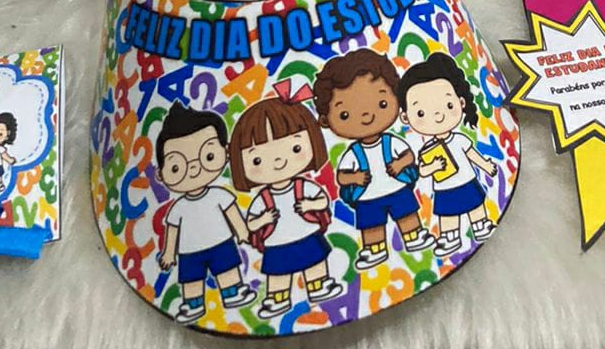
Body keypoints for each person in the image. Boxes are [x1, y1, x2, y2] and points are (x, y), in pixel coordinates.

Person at [229, 87, 343, 319]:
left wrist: (311, 206)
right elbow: (251, 224)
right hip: (277, 242)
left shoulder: (303, 186)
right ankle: (277, 298)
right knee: (278, 273)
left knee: (315, 263)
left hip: (306, 233)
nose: (279, 160)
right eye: (257, 159)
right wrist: (263, 219)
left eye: (295, 148)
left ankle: (319, 286)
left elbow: (322, 200)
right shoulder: (263, 198)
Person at [314, 51, 433, 271]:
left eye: (381, 103)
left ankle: (414, 235)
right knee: (371, 225)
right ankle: (374, 249)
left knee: (407, 213)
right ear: (325, 120)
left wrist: (400, 165)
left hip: (396, 187)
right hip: (368, 196)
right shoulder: (353, 153)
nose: (367, 116)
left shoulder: (391, 142)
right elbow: (341, 176)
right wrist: (355, 177)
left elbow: (408, 155)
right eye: (345, 115)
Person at [155, 103, 255, 325]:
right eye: (176, 167)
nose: (193, 168)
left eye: (208, 156)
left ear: (226, 152)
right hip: (189, 250)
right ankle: (193, 304)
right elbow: (172, 229)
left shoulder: (219, 194)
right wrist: (169, 253)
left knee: (227, 268)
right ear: (160, 175)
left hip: (221, 242)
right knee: (191, 278)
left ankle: (233, 292)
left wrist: (243, 231)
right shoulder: (178, 208)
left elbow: (232, 213)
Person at [398, 53, 494, 257]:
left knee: (475, 205)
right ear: (405, 117)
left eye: (448, 105)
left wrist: (486, 166)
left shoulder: (460, 139)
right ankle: (450, 237)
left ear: (461, 102)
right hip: (444, 187)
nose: (438, 115)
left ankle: (480, 224)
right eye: (421, 113)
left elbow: (472, 154)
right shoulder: (426, 149)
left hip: (466, 180)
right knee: (447, 214)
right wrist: (432, 167)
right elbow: (422, 170)